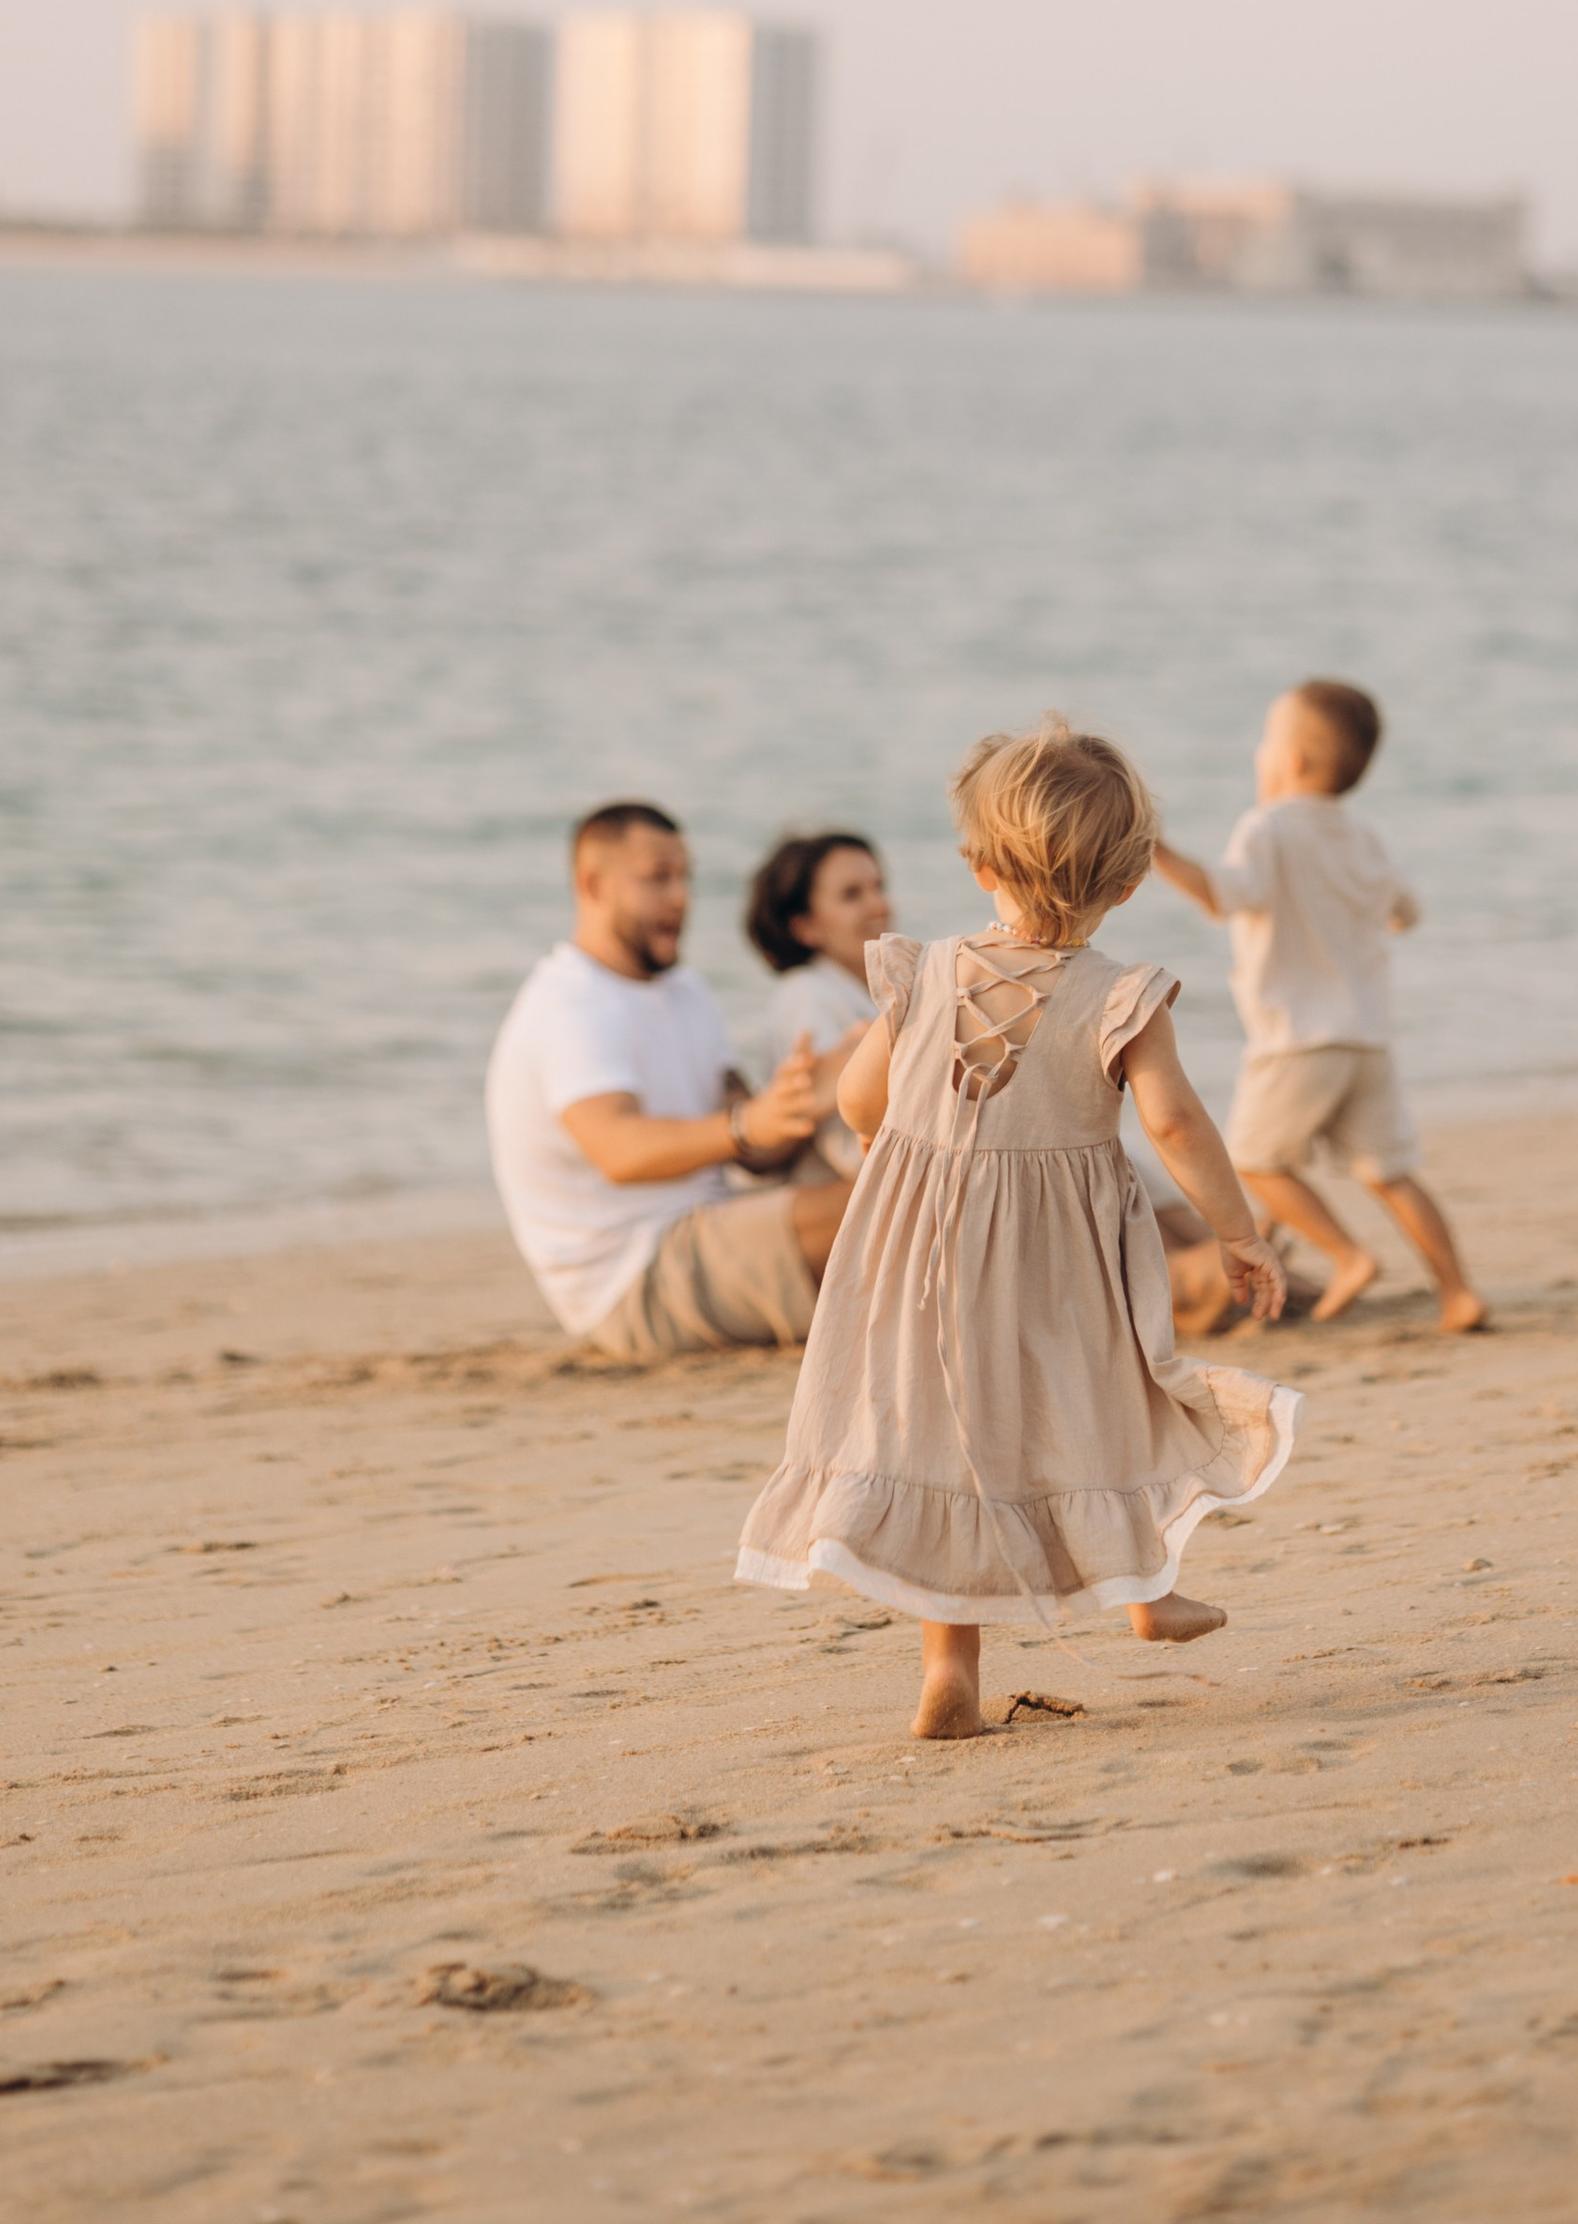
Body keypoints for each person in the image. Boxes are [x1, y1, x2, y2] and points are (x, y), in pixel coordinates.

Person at [735, 718, 1297, 1743]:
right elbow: (1175, 1124)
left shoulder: (921, 972)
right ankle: (1144, 1590)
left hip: (922, 1256)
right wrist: (1238, 1231)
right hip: (1061, 1261)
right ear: (1129, 883)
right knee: (1102, 1402)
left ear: (978, 865)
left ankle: (950, 1667)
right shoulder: (1123, 997)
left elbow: (858, 1100)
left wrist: (889, 1153)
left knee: (949, 1440)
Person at [1153, 680, 1487, 1334]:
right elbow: (1407, 912)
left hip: (1298, 1040)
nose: (1259, 753)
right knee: (1392, 1173)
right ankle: (1458, 1292)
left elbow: (1222, 893)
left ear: (1292, 761)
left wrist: (1156, 850)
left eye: (1266, 740)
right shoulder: (1363, 836)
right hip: (1366, 1037)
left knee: (1254, 1160)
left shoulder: (1266, 828)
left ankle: (1348, 1256)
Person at [485, 800, 847, 1364]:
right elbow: (621, 1152)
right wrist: (748, 1124)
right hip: (634, 1277)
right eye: (658, 879)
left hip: (707, 1228)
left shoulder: (686, 993)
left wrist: (820, 1089)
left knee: (909, 1188)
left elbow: (757, 1150)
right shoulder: (569, 1004)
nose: (681, 898)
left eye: (685, 877)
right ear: (592, 884)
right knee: (899, 1204)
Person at [743, 827, 894, 1176]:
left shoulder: (871, 993)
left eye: (878, 887)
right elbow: (849, 1150)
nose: (879, 906)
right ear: (804, 927)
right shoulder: (807, 995)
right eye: (851, 895)